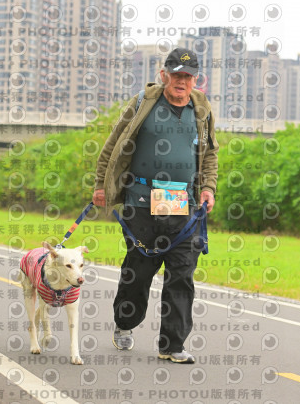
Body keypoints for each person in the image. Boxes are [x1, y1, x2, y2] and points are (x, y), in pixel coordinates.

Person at [93, 48, 219, 364]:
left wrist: (208, 188)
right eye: (176, 75)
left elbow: (210, 154)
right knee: (139, 269)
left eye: (188, 76)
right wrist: (101, 185)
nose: (181, 81)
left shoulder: (201, 109)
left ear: (196, 80)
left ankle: (172, 344)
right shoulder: (143, 103)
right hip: (141, 198)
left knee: (182, 273)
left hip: (183, 203)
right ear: (164, 75)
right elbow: (113, 146)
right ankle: (125, 322)